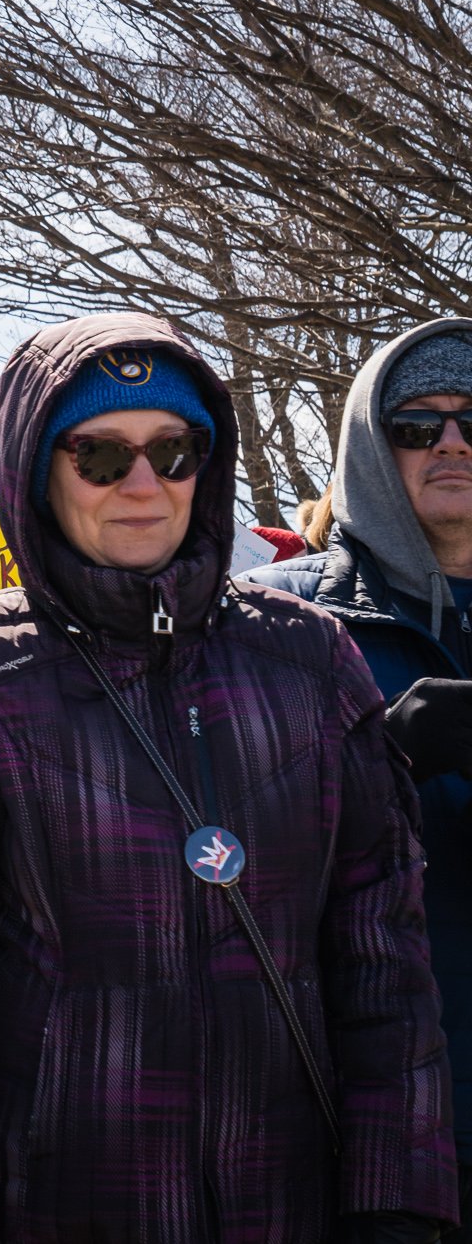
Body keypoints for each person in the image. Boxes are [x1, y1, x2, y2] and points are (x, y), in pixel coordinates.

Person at [0, 312, 456, 1241]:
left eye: (173, 451)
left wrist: (395, 1204)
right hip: (68, 1199)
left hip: (289, 1196)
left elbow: (383, 957)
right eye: (99, 456)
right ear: (38, 472)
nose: (142, 484)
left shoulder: (307, 656)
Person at [249, 317, 472, 1237]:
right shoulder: (284, 618)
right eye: (419, 425)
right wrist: (382, 754)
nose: (453, 442)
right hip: (379, 1093)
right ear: (373, 447)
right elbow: (220, 840)